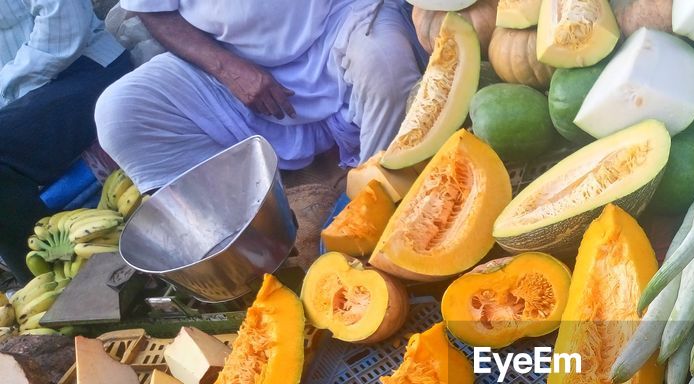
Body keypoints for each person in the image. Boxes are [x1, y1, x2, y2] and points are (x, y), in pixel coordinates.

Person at [94, 0, 421, 194]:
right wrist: (225, 67)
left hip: (339, 23)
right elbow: (155, 11)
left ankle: (378, 197)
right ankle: (251, 222)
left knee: (385, 64)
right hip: (231, 59)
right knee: (120, 112)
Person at [1, 0, 129, 282]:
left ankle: (52, 285)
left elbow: (64, 25)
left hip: (83, 65)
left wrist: (7, 94)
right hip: (20, 92)